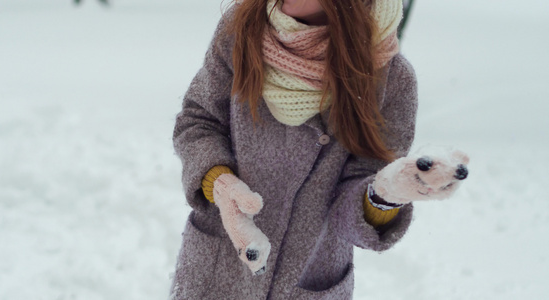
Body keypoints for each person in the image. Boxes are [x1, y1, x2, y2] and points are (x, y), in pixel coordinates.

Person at [170, 0, 468, 299]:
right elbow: (200, 120)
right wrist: (219, 182)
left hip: (308, 280)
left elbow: (353, 203)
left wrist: (384, 195)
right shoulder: (244, 27)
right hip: (214, 272)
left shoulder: (390, 78)